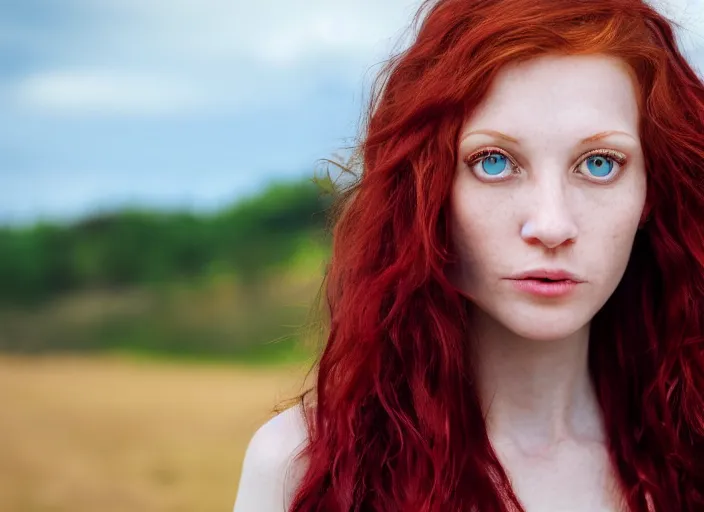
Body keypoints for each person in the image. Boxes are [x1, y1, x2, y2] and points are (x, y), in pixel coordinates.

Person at [233, 0, 704, 510]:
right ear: (426, 187)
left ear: (651, 191)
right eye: (494, 162)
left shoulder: (690, 453)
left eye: (600, 163)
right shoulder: (304, 467)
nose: (550, 224)